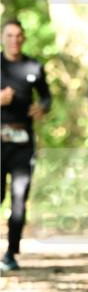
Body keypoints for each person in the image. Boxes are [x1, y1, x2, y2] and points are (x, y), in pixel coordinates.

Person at [0, 19, 52, 271]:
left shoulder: (33, 66)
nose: (14, 40)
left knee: (20, 198)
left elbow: (46, 96)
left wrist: (42, 107)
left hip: (23, 142)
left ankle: (11, 253)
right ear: (3, 38)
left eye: (18, 35)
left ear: (24, 38)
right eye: (9, 35)